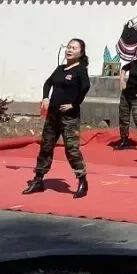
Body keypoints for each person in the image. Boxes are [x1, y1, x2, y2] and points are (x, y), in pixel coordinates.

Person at [24, 38, 91, 199]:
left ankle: (82, 180)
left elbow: (85, 87)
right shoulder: (60, 69)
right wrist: (45, 97)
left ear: (80, 53)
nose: (70, 50)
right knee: (46, 147)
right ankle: (38, 179)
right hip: (53, 116)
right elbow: (48, 83)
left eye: (74, 48)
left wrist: (74, 104)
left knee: (71, 149)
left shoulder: (80, 70)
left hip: (69, 118)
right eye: (69, 47)